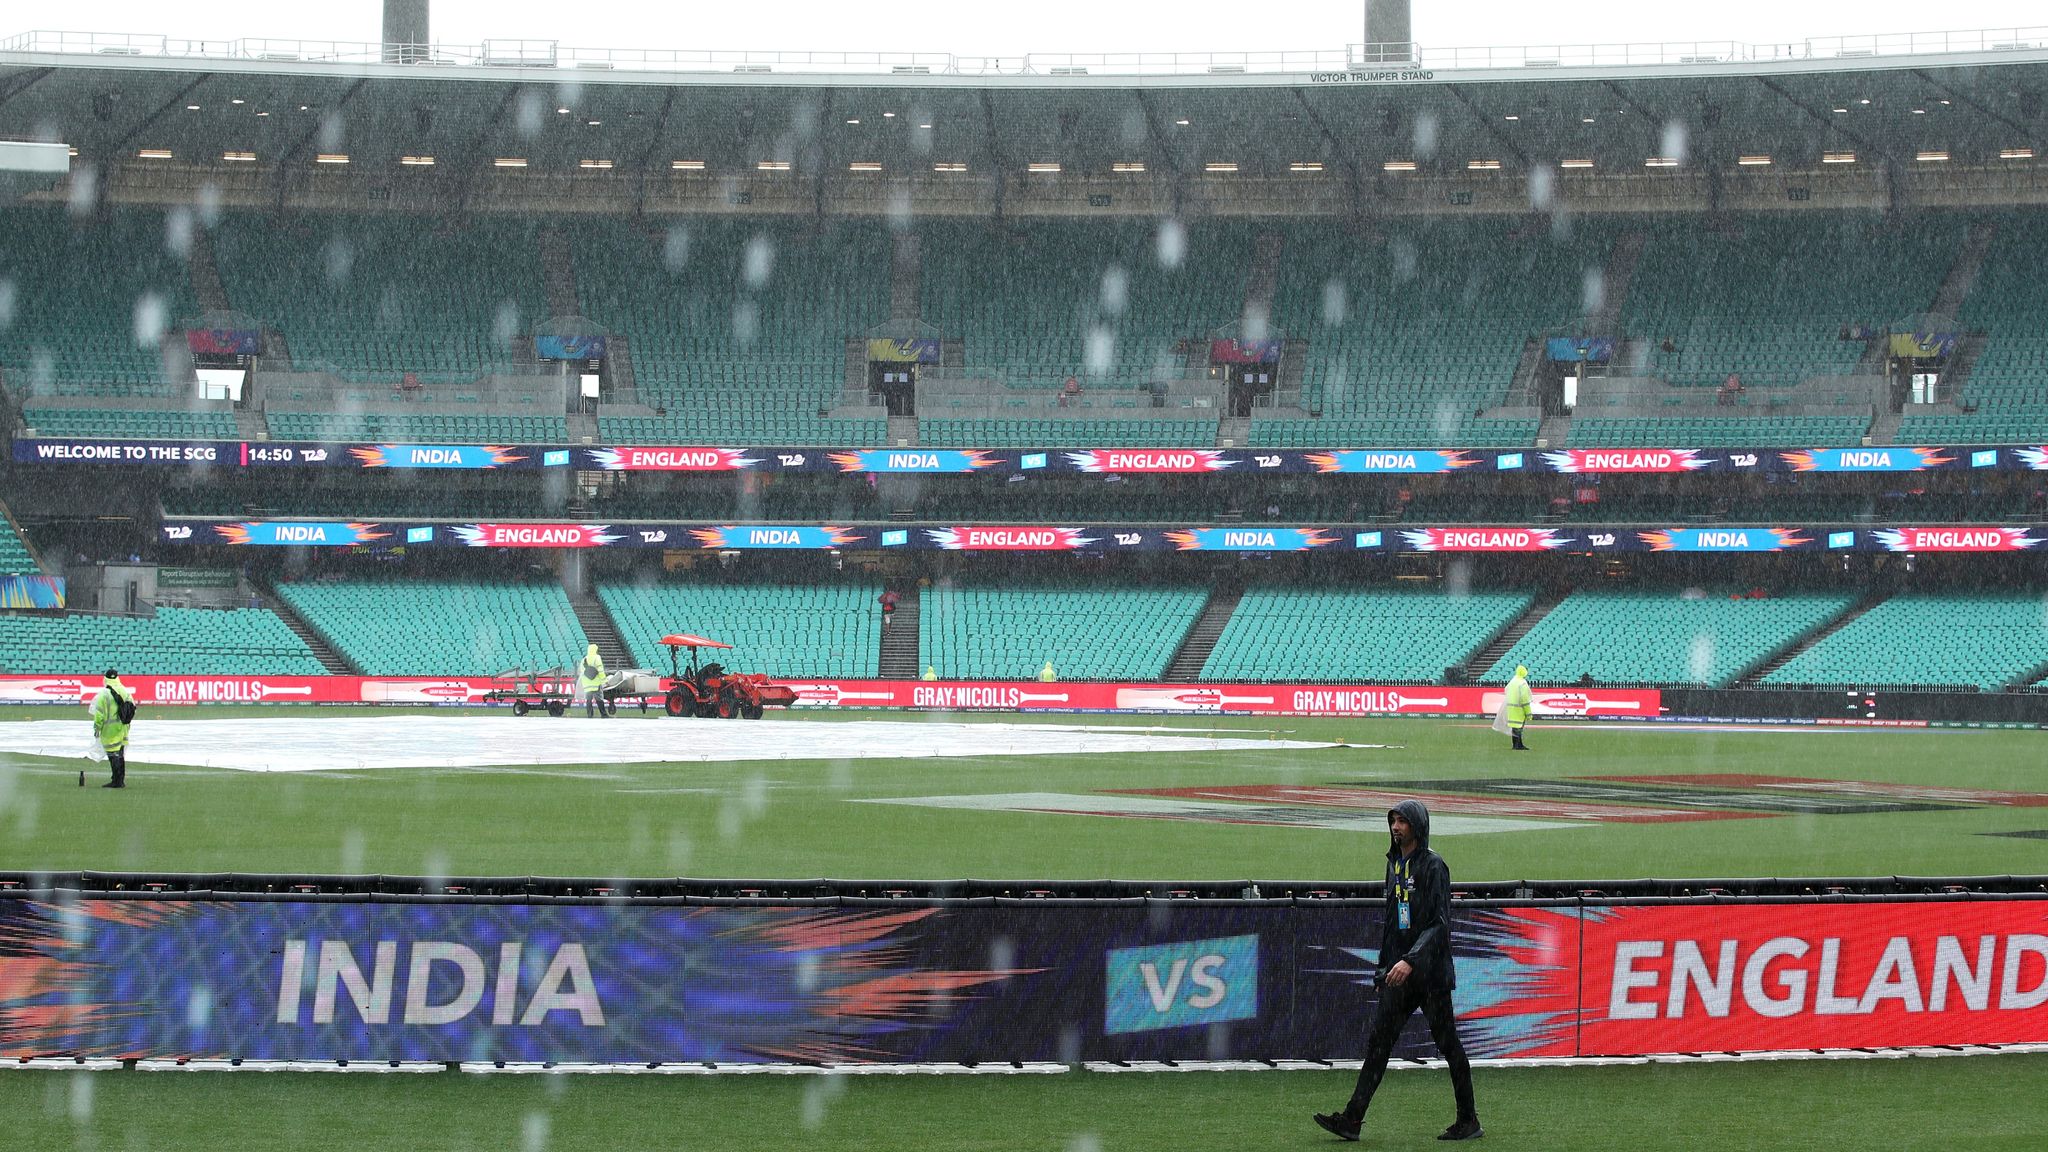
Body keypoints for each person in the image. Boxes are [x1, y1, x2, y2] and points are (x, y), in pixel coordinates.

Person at [1314, 801, 1481, 1143]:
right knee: (1378, 1044)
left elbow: (1439, 924)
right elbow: (1393, 924)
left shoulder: (1434, 866)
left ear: (1417, 825)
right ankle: (1352, 1119)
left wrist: (1411, 961)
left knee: (1449, 1045)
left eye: (1403, 821)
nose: (1396, 826)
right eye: (1393, 820)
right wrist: (1384, 969)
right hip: (1399, 974)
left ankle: (1468, 1120)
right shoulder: (1394, 865)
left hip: (1428, 975)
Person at [88, 669, 137, 789]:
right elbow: (132, 707)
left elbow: (99, 713)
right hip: (123, 728)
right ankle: (120, 779)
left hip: (110, 729)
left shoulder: (104, 694)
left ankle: (116, 780)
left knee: (112, 754)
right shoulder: (124, 690)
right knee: (120, 754)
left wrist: (97, 727)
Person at [1499, 664, 1533, 751]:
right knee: (1519, 727)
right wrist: (1528, 713)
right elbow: (1524, 699)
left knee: (1515, 727)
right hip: (1519, 709)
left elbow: (1506, 691)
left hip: (1511, 708)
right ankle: (1518, 745)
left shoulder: (1513, 681)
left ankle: (1516, 744)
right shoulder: (1522, 683)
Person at [576, 643, 609, 718]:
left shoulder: (584, 659)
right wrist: (604, 681)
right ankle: (603, 714)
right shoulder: (597, 658)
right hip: (596, 682)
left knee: (588, 700)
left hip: (587, 683)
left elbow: (582, 671)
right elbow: (600, 670)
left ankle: (590, 715)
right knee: (599, 699)